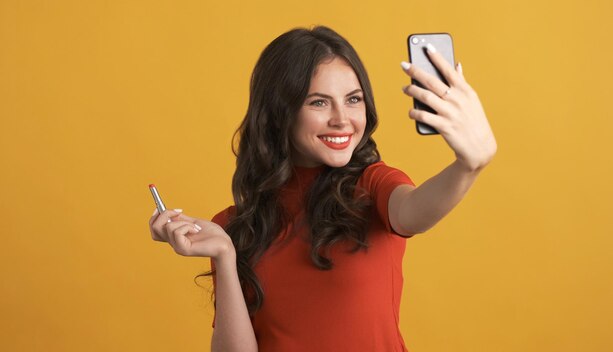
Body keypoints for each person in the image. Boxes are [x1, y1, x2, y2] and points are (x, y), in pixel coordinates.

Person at [148, 25, 496, 352]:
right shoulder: (232, 226)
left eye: (353, 99)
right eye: (319, 102)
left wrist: (468, 166)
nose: (342, 119)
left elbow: (414, 214)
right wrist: (225, 256)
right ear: (279, 112)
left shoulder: (373, 185)